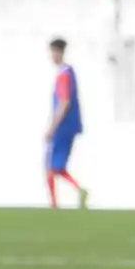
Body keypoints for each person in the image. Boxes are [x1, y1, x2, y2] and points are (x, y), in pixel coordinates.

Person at [45, 38, 89, 210]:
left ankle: (55, 204)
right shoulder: (68, 72)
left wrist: (52, 127)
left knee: (51, 166)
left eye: (54, 52)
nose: (52, 56)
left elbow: (64, 103)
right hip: (68, 126)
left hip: (63, 126)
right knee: (57, 166)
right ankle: (76, 191)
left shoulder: (64, 74)